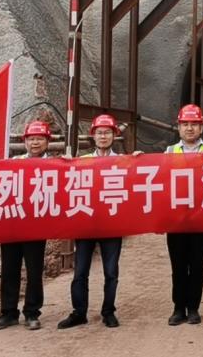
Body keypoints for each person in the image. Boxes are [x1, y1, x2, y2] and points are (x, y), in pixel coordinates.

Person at [58, 114, 126, 329]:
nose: (103, 136)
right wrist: (64, 164)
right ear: (93, 136)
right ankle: (79, 312)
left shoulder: (124, 161)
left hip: (112, 225)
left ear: (114, 135)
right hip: (86, 224)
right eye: (99, 133)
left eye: (107, 132)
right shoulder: (82, 161)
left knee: (111, 272)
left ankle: (108, 312)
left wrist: (139, 160)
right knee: (80, 272)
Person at [0, 120, 53, 331]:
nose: (35, 142)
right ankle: (8, 312)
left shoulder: (55, 165)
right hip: (12, 224)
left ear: (47, 142)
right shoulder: (12, 162)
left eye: (39, 138)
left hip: (36, 227)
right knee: (9, 269)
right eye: (31, 139)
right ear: (25, 141)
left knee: (34, 271)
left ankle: (32, 312)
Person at [165, 103, 203, 326]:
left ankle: (193, 308)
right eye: (185, 124)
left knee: (197, 265)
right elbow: (157, 181)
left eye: (194, 124)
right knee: (178, 265)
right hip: (176, 219)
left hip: (201, 218)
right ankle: (178, 308)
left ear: (201, 127)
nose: (189, 128)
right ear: (178, 127)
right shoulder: (169, 152)